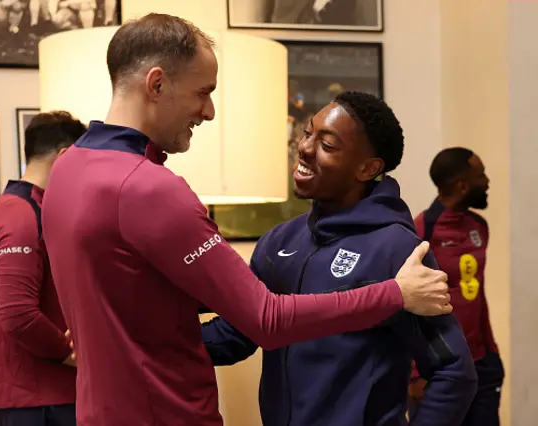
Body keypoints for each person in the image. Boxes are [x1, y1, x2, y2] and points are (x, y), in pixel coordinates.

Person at [41, 13, 452, 426]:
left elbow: (143, 293)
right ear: (157, 83)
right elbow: (264, 320)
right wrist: (395, 294)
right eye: (203, 92)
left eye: (326, 142)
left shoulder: (66, 170)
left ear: (369, 167)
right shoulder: (151, 189)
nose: (209, 111)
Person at [201, 92, 478, 426]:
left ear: (368, 168)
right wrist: (144, 344)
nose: (304, 148)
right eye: (307, 133)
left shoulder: (397, 250)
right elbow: (238, 334)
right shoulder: (279, 241)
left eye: (327, 145)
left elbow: (454, 371)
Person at [0, 111, 86, 426]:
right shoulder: (19, 215)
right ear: (65, 156)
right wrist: (68, 352)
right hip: (38, 404)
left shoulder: (36, 208)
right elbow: (18, 315)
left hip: (52, 398)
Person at [408, 147, 504, 425]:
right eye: (481, 175)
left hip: (483, 363)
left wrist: (492, 356)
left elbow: (477, 295)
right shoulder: (421, 230)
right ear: (463, 186)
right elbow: (409, 307)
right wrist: (415, 373)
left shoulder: (479, 226)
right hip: (438, 369)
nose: (487, 181)